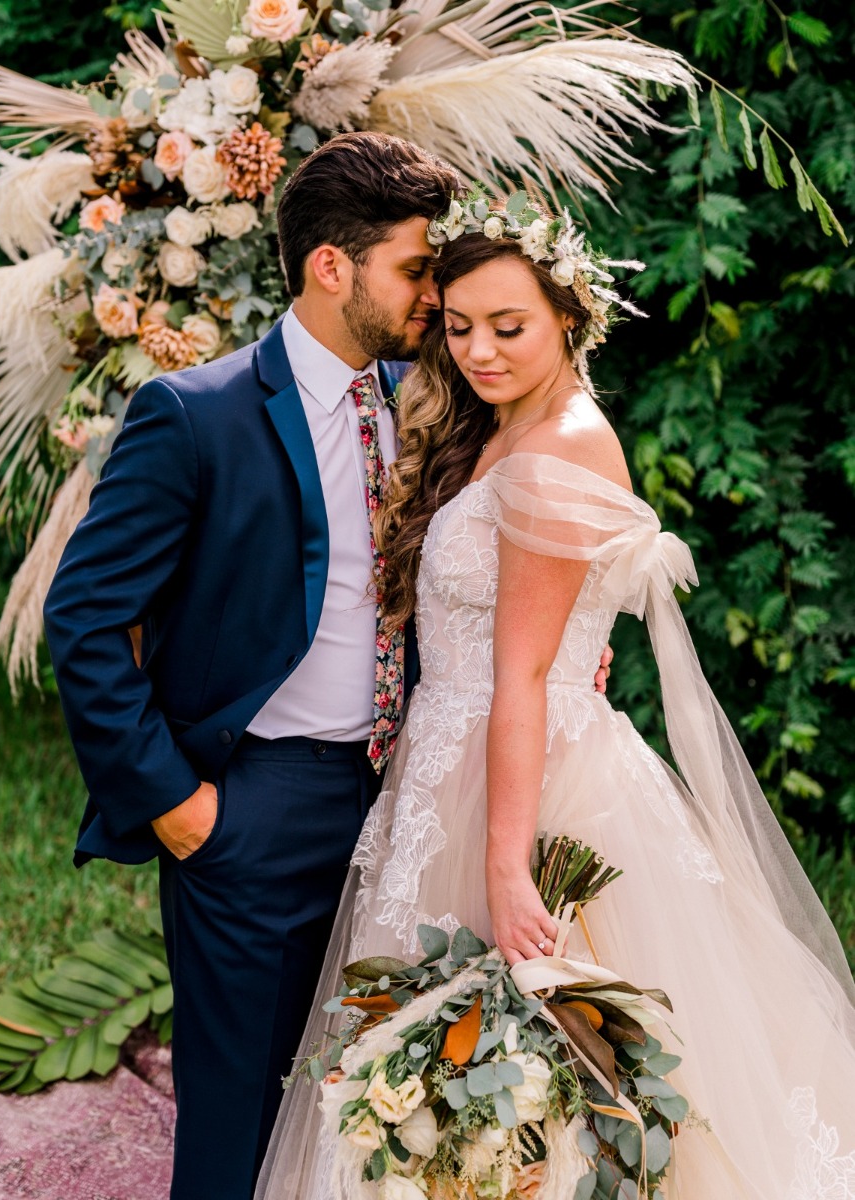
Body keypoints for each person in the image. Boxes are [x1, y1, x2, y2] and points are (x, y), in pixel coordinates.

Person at [43, 131, 614, 1200]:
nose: (432, 297)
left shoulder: (437, 399)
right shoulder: (196, 415)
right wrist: (176, 805)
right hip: (255, 805)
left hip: (409, 805)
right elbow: (83, 619)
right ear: (330, 265)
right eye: (413, 269)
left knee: (374, 1114)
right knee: (242, 1116)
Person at [254, 192, 855, 1199]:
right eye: (458, 327)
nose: (479, 352)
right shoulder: (500, 424)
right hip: (460, 754)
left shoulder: (562, 443)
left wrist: (505, 867)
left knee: (545, 1067)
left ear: (568, 318)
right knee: (454, 1066)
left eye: (508, 327)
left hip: (525, 779)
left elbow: (524, 671)